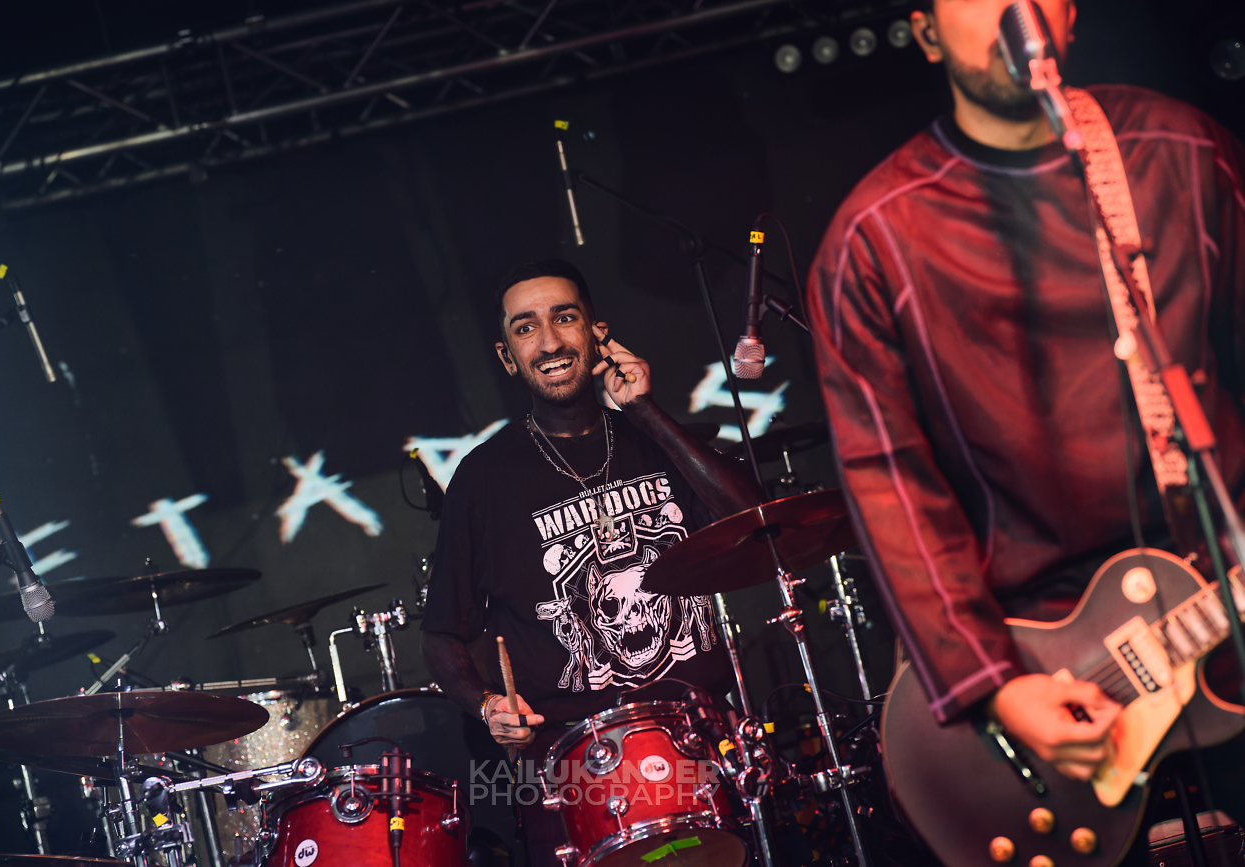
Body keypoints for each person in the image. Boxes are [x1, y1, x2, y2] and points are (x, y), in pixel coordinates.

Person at [806, 0, 1245, 835]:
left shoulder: (1180, 150)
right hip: (1050, 662)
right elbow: (892, 489)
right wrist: (998, 686)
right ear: (926, 32)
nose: (1014, 10)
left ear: (1071, 14)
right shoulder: (874, 241)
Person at [420, 260, 763, 864]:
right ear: (507, 357)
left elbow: (759, 526)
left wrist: (647, 412)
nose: (549, 342)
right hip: (575, 768)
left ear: (597, 333)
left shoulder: (655, 438)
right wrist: (488, 705)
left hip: (701, 737)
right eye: (526, 328)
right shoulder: (482, 479)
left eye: (565, 318)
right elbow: (443, 632)